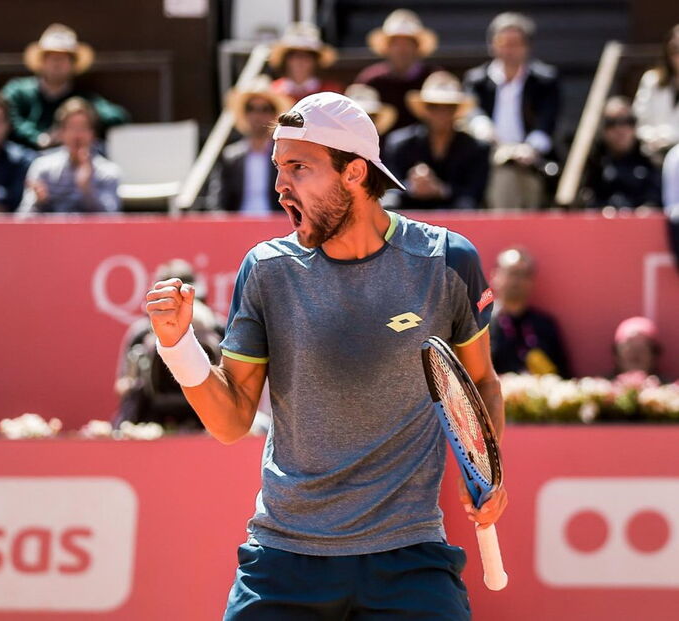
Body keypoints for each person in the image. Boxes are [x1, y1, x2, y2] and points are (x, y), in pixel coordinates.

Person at [146, 91, 507, 619]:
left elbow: (483, 383)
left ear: (355, 173)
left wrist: (491, 474)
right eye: (278, 168)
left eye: (299, 167)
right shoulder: (266, 270)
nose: (279, 186)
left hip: (409, 558)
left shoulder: (447, 260)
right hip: (284, 559)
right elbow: (231, 422)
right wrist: (178, 345)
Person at [464, 12, 560, 210]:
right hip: (490, 154)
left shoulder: (544, 80)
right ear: (492, 45)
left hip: (530, 156)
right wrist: (486, 130)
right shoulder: (477, 80)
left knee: (525, 182)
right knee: (505, 177)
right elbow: (472, 112)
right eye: (503, 43)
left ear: (527, 47)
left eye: (515, 44)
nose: (509, 50)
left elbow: (547, 120)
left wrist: (531, 148)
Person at [115, 259, 224, 431]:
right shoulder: (141, 333)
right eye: (170, 301)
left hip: (211, 420)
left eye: (187, 299)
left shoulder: (218, 327)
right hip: (150, 420)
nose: (182, 307)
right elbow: (124, 385)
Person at [2, 24, 129, 150]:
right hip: (23, 160)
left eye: (63, 58)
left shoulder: (83, 98)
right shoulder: (18, 92)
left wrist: (80, 121)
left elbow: (118, 116)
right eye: (52, 58)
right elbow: (5, 118)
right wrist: (38, 138)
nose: (57, 64)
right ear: (42, 61)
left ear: (73, 64)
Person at [384, 71, 490, 209]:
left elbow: (474, 194)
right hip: (409, 217)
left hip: (455, 221)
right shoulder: (400, 144)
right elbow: (388, 190)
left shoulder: (476, 148)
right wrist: (411, 186)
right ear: (425, 109)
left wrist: (441, 190)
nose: (441, 113)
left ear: (457, 110)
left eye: (449, 107)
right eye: (433, 106)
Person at [18, 97, 120, 213]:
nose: (77, 136)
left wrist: (86, 189)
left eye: (83, 128)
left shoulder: (108, 172)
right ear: (61, 133)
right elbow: (23, 218)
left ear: (93, 133)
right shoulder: (42, 167)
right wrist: (39, 202)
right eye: (71, 128)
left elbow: (112, 219)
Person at [207, 76, 292, 213]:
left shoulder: (285, 157)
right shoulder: (230, 157)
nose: (257, 115)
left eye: (265, 109)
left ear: (274, 114)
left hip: (278, 227)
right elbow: (217, 203)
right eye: (251, 108)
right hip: (237, 228)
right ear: (245, 114)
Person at [354, 10, 440, 135]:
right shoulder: (371, 80)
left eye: (407, 43)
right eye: (396, 44)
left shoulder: (432, 78)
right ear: (386, 48)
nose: (401, 50)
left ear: (417, 47)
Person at [489, 247, 570, 377]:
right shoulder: (481, 324)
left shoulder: (545, 325)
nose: (517, 281)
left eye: (524, 274)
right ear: (495, 276)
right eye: (512, 273)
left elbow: (563, 376)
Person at [582, 96, 661, 208]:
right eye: (611, 123)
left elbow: (656, 200)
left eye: (627, 122)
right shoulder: (592, 164)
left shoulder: (650, 161)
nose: (620, 129)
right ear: (602, 129)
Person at [633, 25, 679, 159]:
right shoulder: (651, 80)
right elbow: (639, 119)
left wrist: (669, 140)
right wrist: (654, 139)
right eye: (675, 50)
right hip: (651, 154)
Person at [268, 22, 342, 102]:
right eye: (293, 55)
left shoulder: (331, 92)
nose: (300, 61)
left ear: (315, 61)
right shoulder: (272, 91)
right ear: (285, 60)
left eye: (307, 56)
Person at [613, 316, 663, 382]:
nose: (635, 353)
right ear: (617, 353)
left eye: (641, 348)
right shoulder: (602, 389)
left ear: (653, 354)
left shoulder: (670, 390)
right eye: (629, 347)